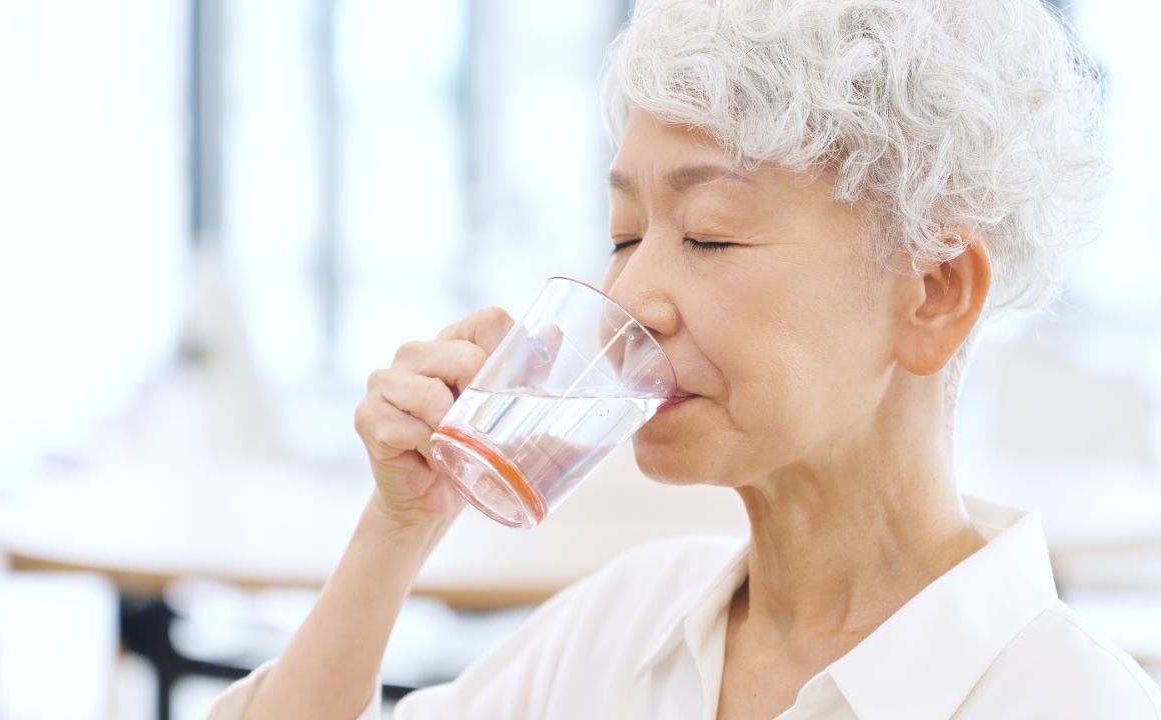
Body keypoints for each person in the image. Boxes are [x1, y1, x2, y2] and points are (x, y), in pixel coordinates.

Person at [210, 0, 1161, 717]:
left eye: (709, 236)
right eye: (626, 235)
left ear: (935, 292)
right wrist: (398, 530)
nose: (627, 297)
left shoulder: (1068, 698)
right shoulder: (625, 623)